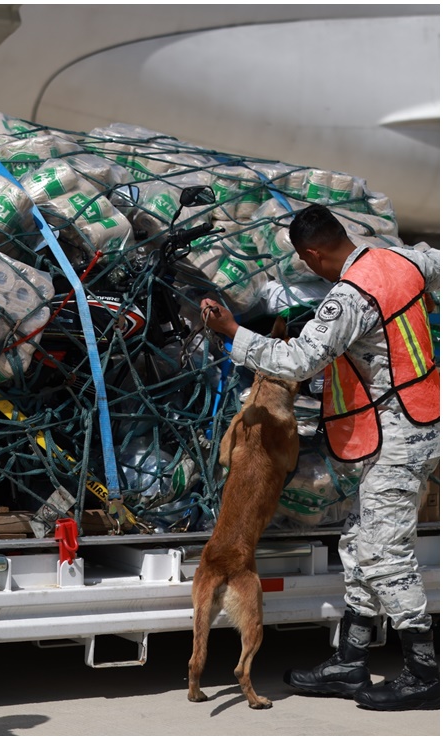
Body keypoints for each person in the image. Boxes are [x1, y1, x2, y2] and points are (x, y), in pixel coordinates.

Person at [201, 204, 440, 711]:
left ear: (311, 254)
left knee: (383, 552)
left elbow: (299, 359)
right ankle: (349, 663)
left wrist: (232, 333)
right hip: (410, 423)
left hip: (398, 432)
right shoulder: (402, 261)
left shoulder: (350, 297)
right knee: (359, 540)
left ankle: (425, 673)